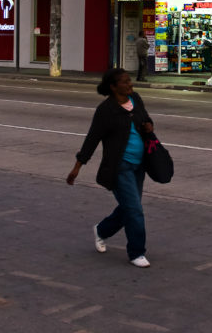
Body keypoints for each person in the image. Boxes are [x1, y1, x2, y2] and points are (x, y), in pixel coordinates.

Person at [66, 67, 154, 268]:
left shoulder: (136, 99)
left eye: (129, 80)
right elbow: (92, 139)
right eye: (125, 82)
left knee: (130, 208)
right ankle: (137, 252)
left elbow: (146, 119)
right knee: (135, 210)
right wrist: (77, 166)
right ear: (114, 87)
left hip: (139, 165)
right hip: (119, 167)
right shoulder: (106, 110)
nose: (130, 84)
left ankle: (102, 231)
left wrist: (149, 126)